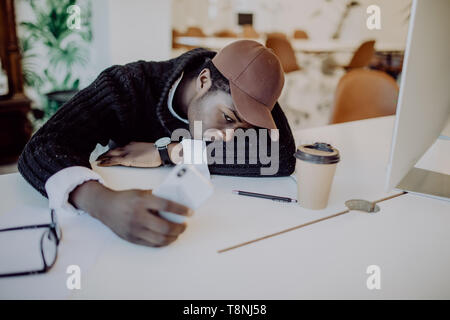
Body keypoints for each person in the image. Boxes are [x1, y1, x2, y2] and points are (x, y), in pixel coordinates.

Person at [18, 40, 296, 247]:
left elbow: (281, 155)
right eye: (227, 118)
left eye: (243, 128)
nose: (228, 137)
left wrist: (169, 151)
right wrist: (101, 202)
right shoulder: (126, 86)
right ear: (203, 80)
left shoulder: (246, 90)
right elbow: (43, 146)